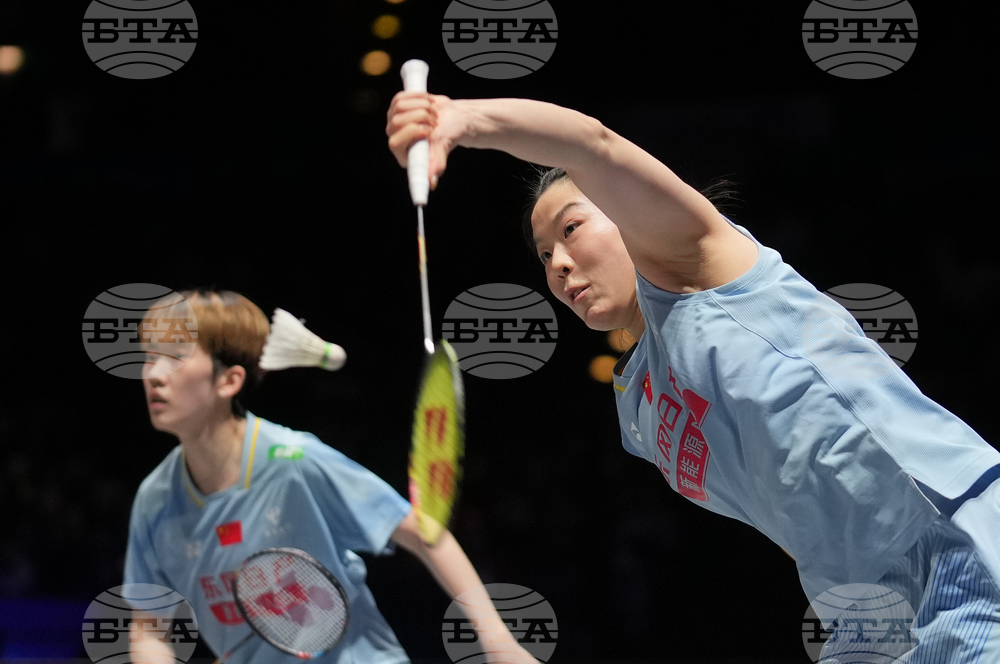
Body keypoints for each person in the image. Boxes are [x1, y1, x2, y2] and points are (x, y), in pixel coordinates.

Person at [386, 92, 1000, 659]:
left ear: (627, 217)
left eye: (571, 229)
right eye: (545, 256)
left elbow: (592, 143)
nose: (559, 264)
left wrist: (463, 121)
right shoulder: (640, 414)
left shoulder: (702, 263)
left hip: (943, 528)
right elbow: (778, 511)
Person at [124, 289, 537, 664]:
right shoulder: (155, 499)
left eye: (174, 355)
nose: (153, 374)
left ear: (229, 380)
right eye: (149, 356)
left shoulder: (295, 462)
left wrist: (499, 642)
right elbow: (149, 628)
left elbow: (428, 536)